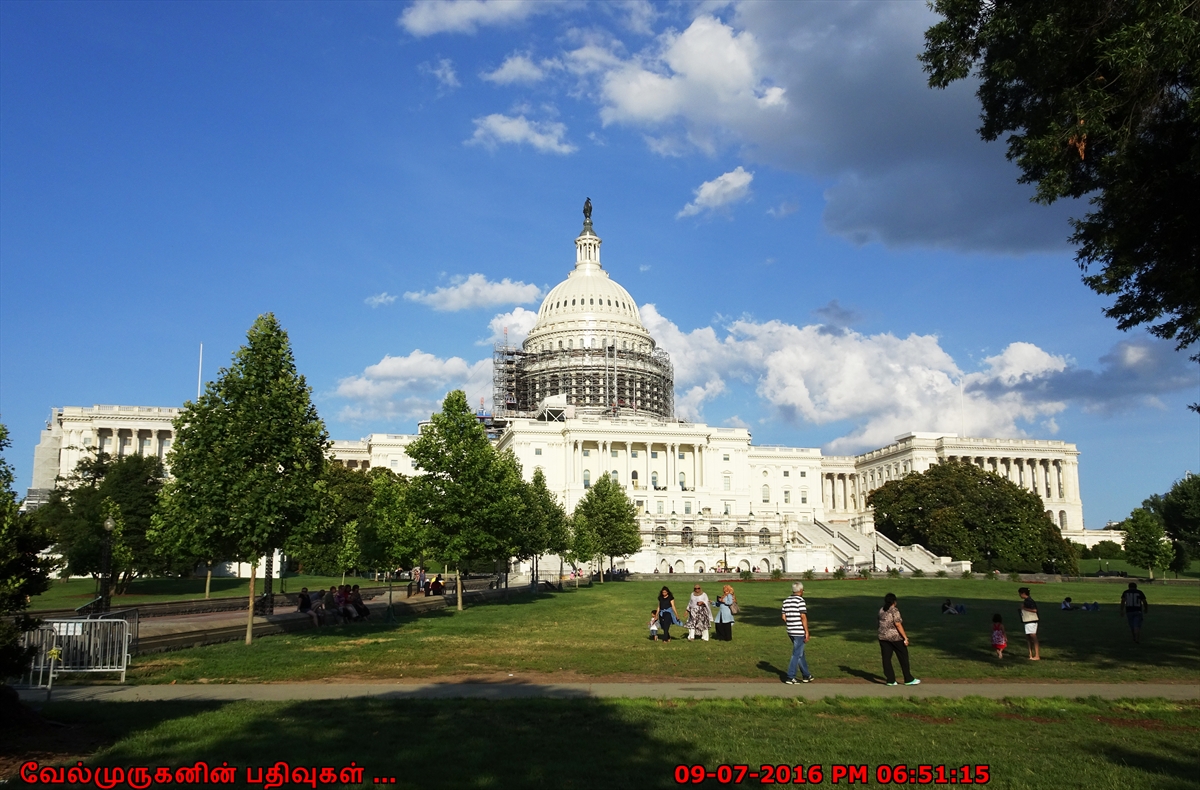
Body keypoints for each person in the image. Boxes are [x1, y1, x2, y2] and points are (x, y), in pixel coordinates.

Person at [878, 592, 920, 686]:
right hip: (895, 637)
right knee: (903, 657)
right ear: (894, 601)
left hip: (883, 636)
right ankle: (908, 678)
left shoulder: (881, 610)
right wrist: (905, 637)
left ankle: (890, 680)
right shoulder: (894, 610)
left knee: (886, 658)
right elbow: (898, 624)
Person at [782, 582, 813, 684]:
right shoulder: (800, 601)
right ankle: (790, 676)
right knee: (796, 654)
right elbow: (803, 616)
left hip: (790, 630)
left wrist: (791, 623)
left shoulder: (786, 601)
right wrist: (807, 631)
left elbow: (784, 617)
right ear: (800, 591)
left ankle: (806, 675)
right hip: (799, 631)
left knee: (800, 653)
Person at [1018, 587, 1040, 660]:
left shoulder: (1029, 601)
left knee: (1032, 636)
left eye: (1020, 594)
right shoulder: (1027, 600)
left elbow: (1034, 610)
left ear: (1023, 594)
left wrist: (1024, 608)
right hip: (1028, 621)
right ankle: (1030, 654)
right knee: (1028, 637)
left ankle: (1036, 655)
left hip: (1031, 621)